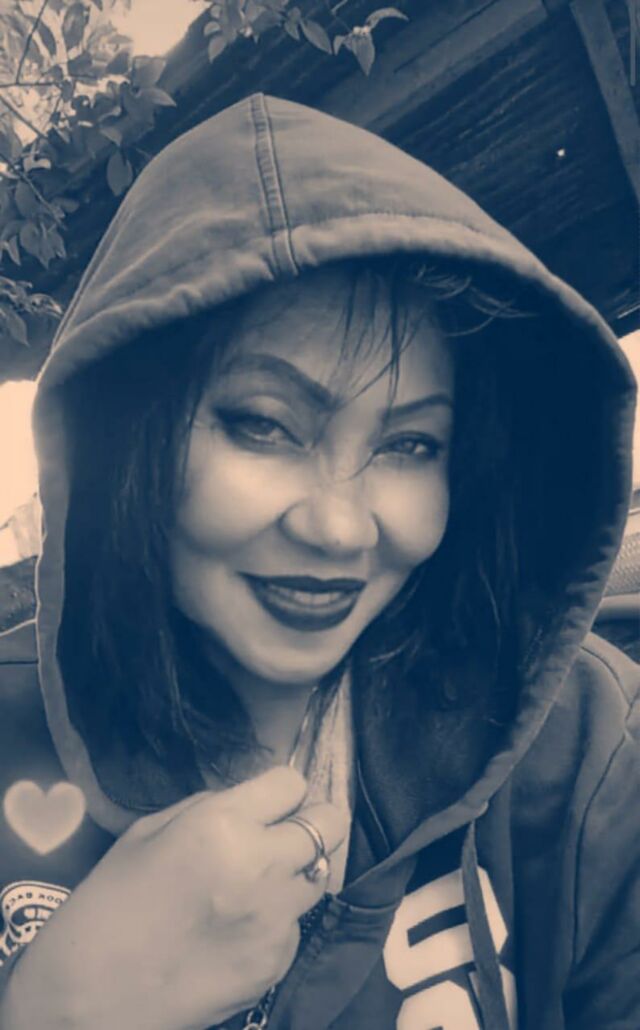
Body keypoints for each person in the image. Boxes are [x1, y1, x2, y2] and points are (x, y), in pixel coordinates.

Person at [0, 92, 637, 1030]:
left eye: (410, 445)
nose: (340, 530)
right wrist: (60, 1010)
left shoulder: (584, 743)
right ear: (125, 440)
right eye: (264, 425)